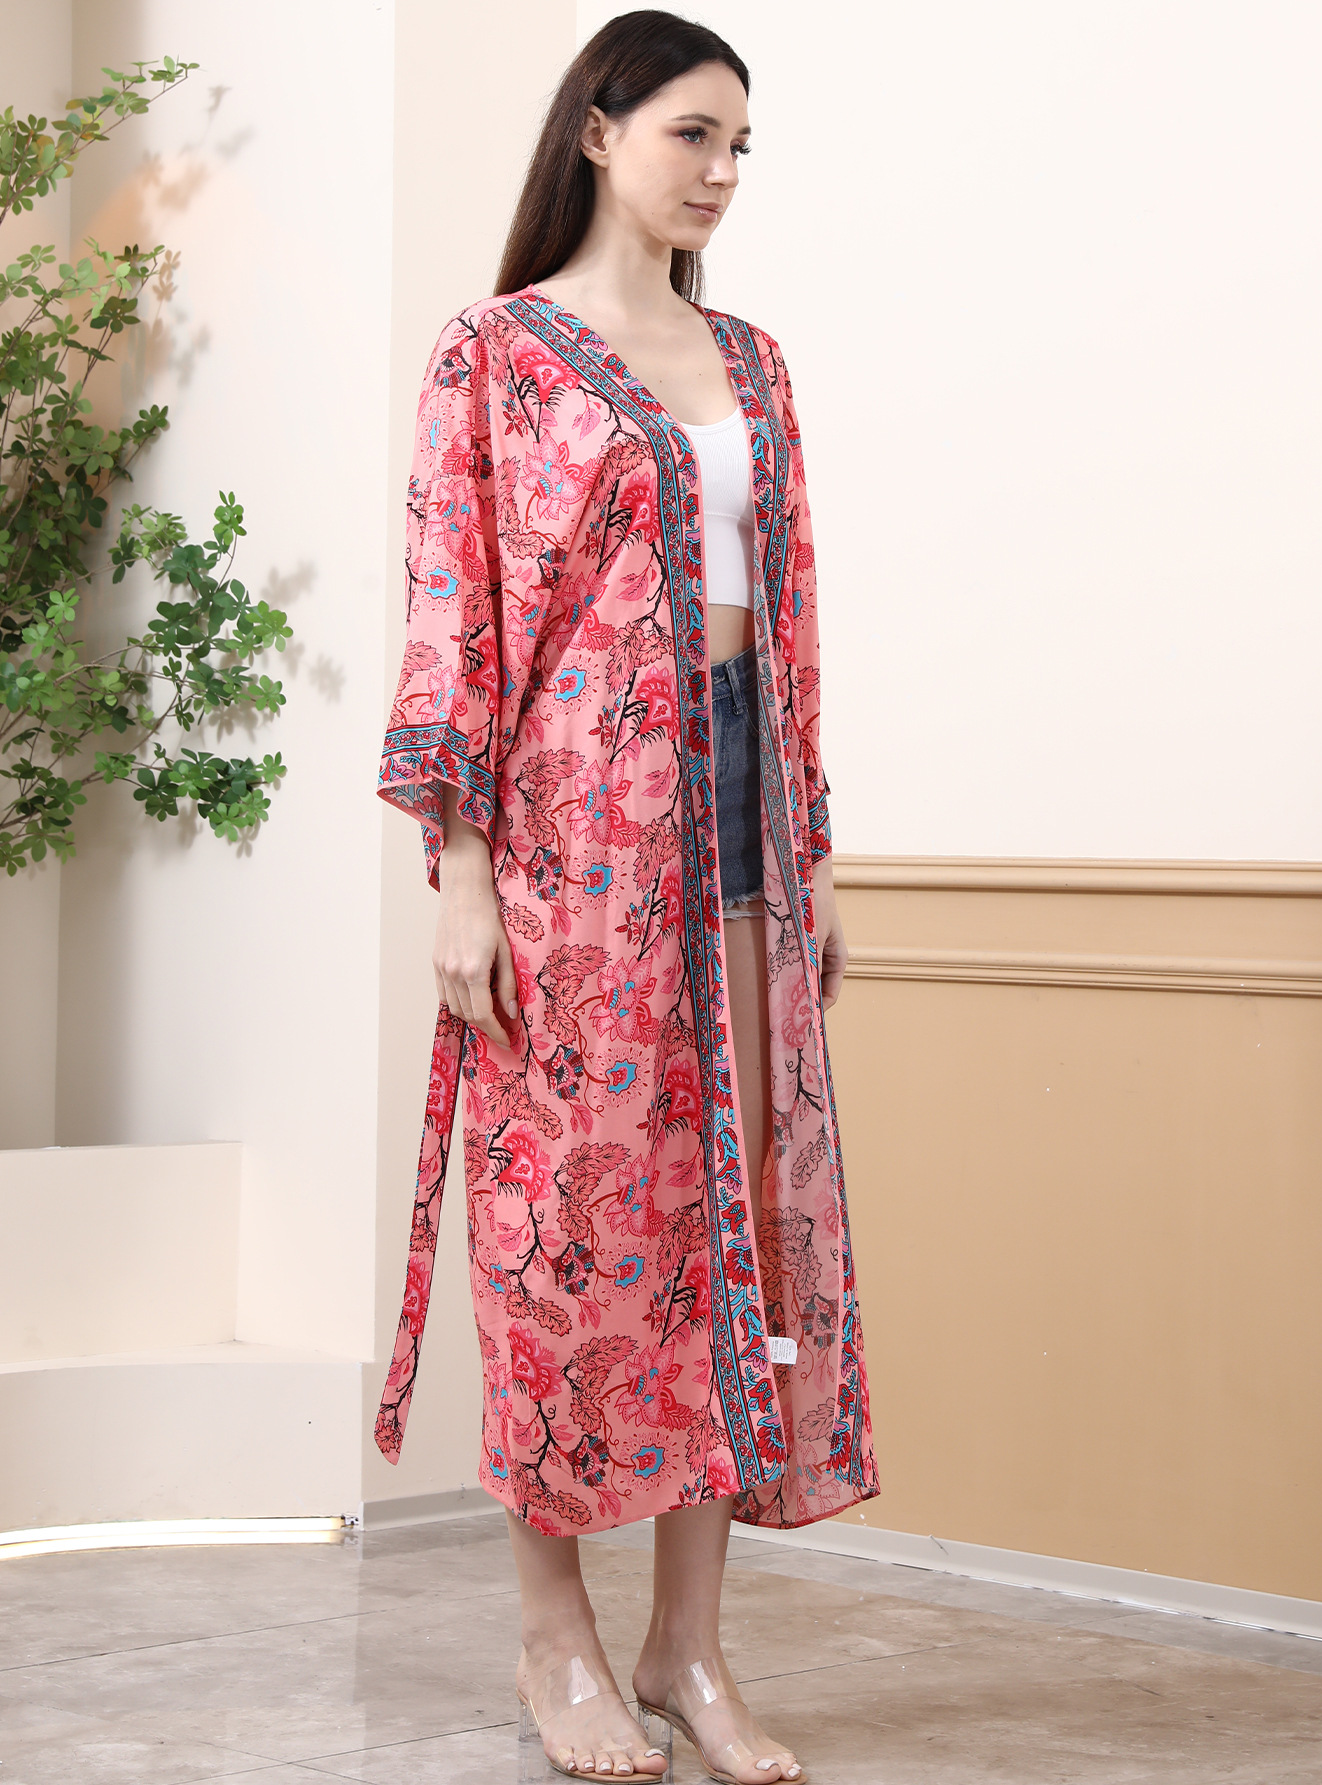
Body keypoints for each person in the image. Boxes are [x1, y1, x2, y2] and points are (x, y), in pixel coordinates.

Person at [374, 11, 880, 1780]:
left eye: (741, 145)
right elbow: (452, 614)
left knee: (735, 1231)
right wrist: (461, 870)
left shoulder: (753, 361)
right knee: (565, 1235)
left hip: (744, 826)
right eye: (691, 133)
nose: (721, 171)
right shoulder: (495, 356)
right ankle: (556, 1635)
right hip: (570, 840)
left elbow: (788, 626)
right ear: (597, 131)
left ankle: (690, 1643)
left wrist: (811, 854)